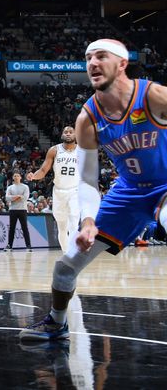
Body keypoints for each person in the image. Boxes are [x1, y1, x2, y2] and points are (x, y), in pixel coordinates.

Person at [21, 38, 167, 341]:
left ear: (122, 63)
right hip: (127, 192)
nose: (93, 63)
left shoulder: (153, 95)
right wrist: (88, 220)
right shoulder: (88, 118)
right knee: (65, 267)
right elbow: (88, 180)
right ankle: (56, 323)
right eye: (89, 58)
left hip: (164, 185)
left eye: (101, 56)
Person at [27, 126, 79, 252]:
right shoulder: (54, 150)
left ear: (76, 135)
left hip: (75, 190)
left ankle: (73, 256)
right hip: (59, 191)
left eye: (70, 132)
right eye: (65, 132)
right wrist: (34, 176)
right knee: (62, 227)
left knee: (73, 223)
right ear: (62, 134)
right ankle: (66, 254)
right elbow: (44, 170)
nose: (68, 133)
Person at [5, 173, 32, 251]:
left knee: (24, 228)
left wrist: (13, 198)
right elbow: (7, 198)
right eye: (14, 176)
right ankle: (9, 245)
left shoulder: (25, 187)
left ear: (20, 177)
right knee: (12, 228)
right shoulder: (10, 187)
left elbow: (25, 197)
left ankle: (28, 245)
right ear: (13, 178)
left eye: (17, 176)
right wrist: (18, 196)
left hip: (22, 209)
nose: (16, 177)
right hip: (13, 209)